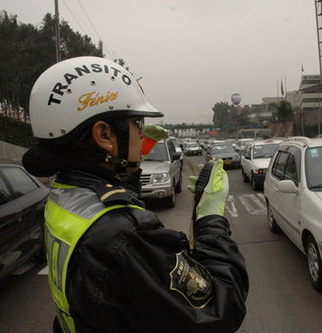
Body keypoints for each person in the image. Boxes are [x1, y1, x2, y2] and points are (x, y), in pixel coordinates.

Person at [22, 56, 248, 333]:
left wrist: (128, 157)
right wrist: (211, 217)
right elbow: (220, 309)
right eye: (137, 125)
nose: (142, 137)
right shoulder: (126, 235)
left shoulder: (65, 195)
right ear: (104, 134)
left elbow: (109, 194)